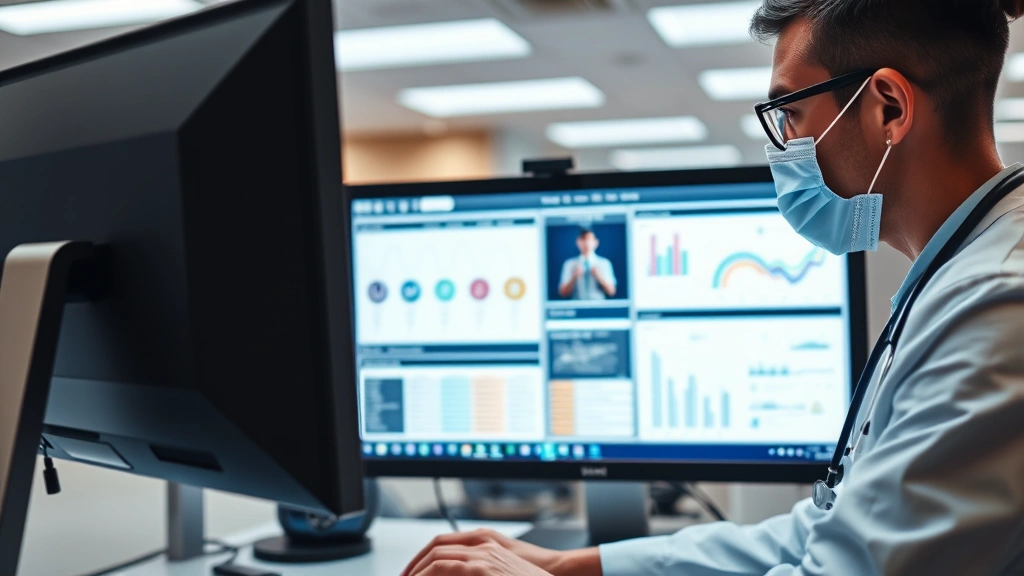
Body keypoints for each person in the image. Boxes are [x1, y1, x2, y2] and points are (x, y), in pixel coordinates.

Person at [402, 0, 1024, 574]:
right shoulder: (959, 277)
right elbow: (827, 530)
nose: (784, 146)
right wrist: (575, 566)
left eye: (790, 113)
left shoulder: (996, 307)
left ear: (887, 106)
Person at [558, 229, 616, 300]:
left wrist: (598, 276)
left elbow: (611, 292)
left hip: (598, 307)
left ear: (596, 242)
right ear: (578, 243)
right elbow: (563, 293)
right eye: (583, 239)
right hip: (577, 307)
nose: (586, 243)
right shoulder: (569, 264)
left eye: (589, 239)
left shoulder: (604, 263)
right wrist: (574, 277)